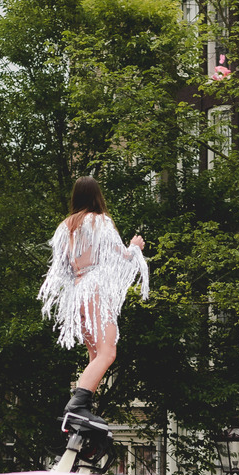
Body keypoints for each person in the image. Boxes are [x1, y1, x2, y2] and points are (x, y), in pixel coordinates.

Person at [38, 176, 149, 423]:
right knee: (108, 352)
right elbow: (123, 257)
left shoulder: (65, 227)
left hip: (77, 292)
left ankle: (85, 406)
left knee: (95, 353)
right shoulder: (100, 221)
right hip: (95, 290)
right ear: (97, 196)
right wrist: (135, 247)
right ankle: (77, 405)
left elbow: (63, 265)